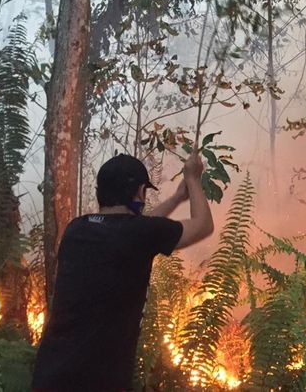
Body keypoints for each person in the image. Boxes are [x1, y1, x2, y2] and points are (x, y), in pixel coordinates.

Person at [32, 152, 214, 392]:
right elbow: (203, 225)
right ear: (139, 192)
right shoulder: (137, 234)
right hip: (98, 381)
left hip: (50, 375)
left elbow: (135, 228)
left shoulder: (77, 228)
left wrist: (177, 197)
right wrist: (193, 178)